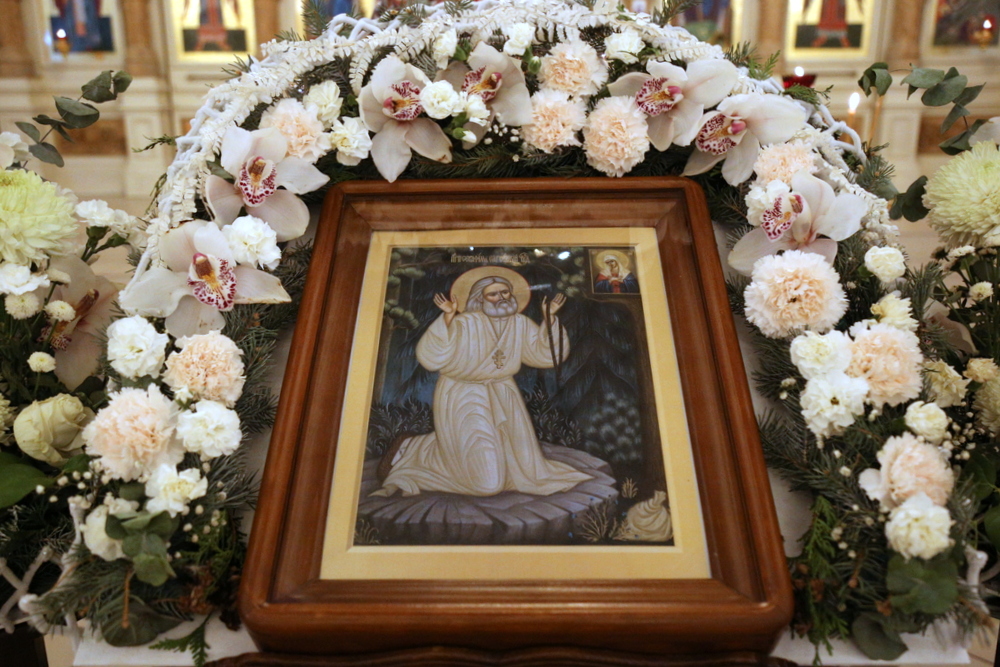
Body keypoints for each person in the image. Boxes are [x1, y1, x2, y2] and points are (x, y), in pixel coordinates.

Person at [373, 272, 591, 497]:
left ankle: (429, 447)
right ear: (480, 298)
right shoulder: (465, 323)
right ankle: (413, 449)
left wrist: (550, 318)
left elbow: (544, 355)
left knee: (520, 468)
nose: (502, 298)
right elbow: (432, 356)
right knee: (486, 486)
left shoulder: (519, 323)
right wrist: (447, 317)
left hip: (503, 393)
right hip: (464, 394)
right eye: (493, 294)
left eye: (505, 292)